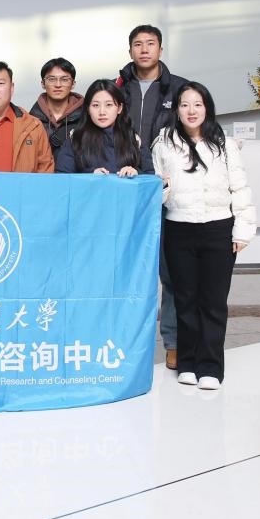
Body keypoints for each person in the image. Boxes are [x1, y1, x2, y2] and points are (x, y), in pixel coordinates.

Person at [153, 82, 256, 392]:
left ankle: (210, 366)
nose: (191, 111)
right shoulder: (163, 143)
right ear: (177, 109)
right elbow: (156, 193)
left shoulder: (224, 143)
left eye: (197, 104)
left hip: (218, 228)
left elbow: (240, 188)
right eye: (185, 105)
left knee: (213, 301)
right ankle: (187, 362)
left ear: (207, 108)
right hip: (179, 228)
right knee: (184, 300)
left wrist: (243, 230)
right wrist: (163, 186)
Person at [116, 24, 189, 371]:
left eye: (150, 43)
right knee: (122, 270)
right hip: (125, 188)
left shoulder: (179, 88)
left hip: (164, 189)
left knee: (170, 271)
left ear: (161, 49)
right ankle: (118, 339)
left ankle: (173, 342)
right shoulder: (116, 88)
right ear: (129, 50)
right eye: (137, 44)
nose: (144, 49)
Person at [55, 79, 152, 176]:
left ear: (119, 108)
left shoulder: (134, 139)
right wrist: (90, 175)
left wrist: (136, 173)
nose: (102, 112)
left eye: (109, 105)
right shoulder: (75, 139)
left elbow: (151, 178)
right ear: (88, 109)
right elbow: (62, 178)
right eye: (95, 105)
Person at [30, 57, 84, 154]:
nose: (58, 85)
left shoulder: (86, 118)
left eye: (64, 79)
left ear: (73, 84)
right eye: (51, 79)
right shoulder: (30, 120)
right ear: (43, 84)